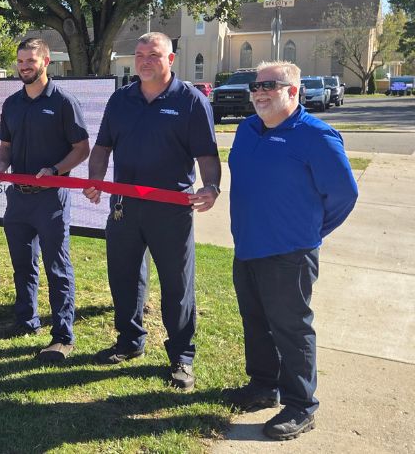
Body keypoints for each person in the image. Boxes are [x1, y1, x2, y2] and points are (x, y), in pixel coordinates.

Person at [224, 61, 358, 440]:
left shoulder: (316, 135)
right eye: (255, 86)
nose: (259, 92)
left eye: (270, 85)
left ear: (293, 91)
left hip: (290, 252)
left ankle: (301, 405)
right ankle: (263, 385)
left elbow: (345, 195)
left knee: (291, 327)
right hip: (247, 245)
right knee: (255, 320)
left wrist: (309, 231)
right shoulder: (247, 129)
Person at [83, 32, 220, 390]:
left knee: (176, 283)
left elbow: (207, 153)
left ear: (170, 59)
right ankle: (129, 341)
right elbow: (102, 148)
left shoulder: (190, 100)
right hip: (123, 207)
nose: (145, 60)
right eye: (140, 54)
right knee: (124, 277)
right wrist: (95, 179)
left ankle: (181, 357)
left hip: (171, 209)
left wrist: (211, 187)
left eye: (153, 55)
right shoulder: (121, 100)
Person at [0, 38, 90, 362]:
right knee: (23, 266)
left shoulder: (62, 101)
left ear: (46, 62)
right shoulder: (12, 103)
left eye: (30, 61)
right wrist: (1, 165)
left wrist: (57, 170)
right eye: (20, 61)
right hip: (18, 200)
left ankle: (63, 336)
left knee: (57, 268)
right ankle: (26, 321)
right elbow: (5, 145)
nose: (24, 66)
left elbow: (82, 148)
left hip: (51, 201)